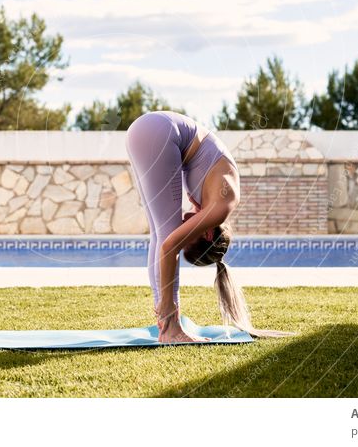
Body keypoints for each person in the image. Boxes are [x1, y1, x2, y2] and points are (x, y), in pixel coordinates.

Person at [125, 110, 296, 343]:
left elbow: (164, 242)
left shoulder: (213, 203)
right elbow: (170, 246)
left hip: (145, 128)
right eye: (190, 238)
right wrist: (168, 302)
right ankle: (171, 326)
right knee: (167, 235)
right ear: (206, 233)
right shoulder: (221, 207)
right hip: (161, 132)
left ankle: (164, 326)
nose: (186, 229)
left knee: (158, 233)